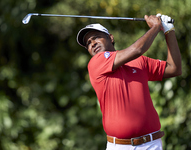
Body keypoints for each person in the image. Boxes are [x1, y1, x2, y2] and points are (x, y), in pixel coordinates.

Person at [76, 14, 181, 150]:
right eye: (88, 43)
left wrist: (169, 31)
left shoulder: (139, 61)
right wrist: (156, 26)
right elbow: (137, 49)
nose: (92, 44)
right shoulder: (96, 63)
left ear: (111, 37)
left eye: (96, 37)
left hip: (152, 143)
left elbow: (174, 69)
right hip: (119, 146)